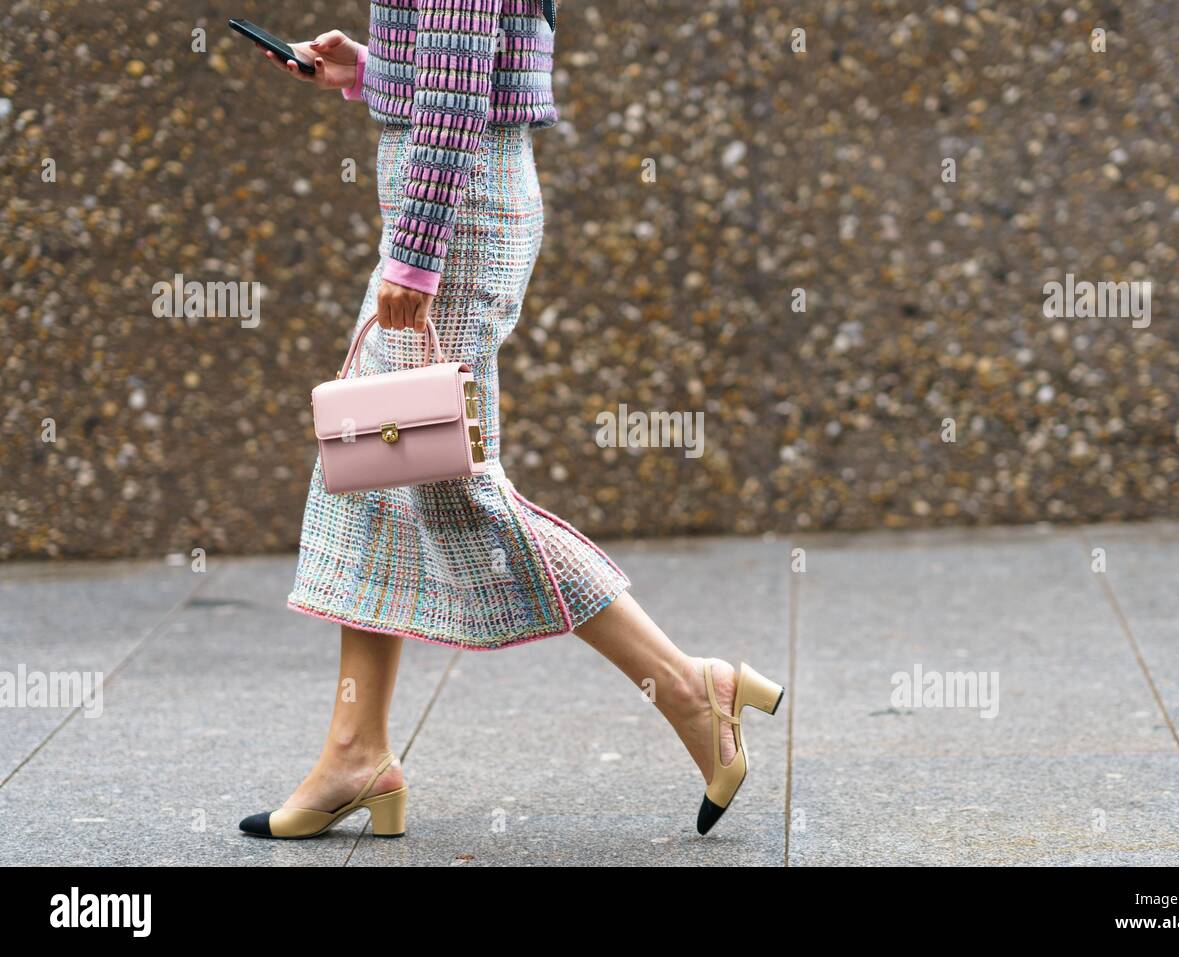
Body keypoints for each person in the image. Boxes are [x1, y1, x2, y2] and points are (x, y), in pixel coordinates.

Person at [236, 0, 782, 842]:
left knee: (449, 479)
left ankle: (683, 684)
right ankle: (356, 748)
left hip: (454, 218)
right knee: (372, 468)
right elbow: (468, 60)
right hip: (459, 199)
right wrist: (372, 72)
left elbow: (458, 91)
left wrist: (412, 260)